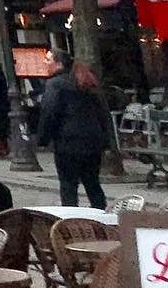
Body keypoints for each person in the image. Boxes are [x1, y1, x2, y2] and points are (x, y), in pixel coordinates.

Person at [38, 54, 113, 208]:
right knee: (92, 182)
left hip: (68, 141)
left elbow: (49, 111)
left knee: (68, 185)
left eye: (49, 60)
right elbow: (103, 113)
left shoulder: (55, 84)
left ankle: (72, 218)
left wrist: (43, 138)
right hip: (93, 140)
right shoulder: (87, 81)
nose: (46, 63)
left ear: (58, 64)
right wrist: (105, 140)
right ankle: (100, 214)